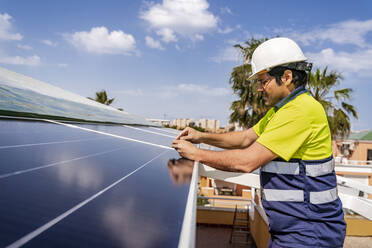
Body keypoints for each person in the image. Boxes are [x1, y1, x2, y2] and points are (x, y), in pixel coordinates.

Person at [172, 37, 346, 248]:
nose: (260, 88)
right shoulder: (282, 110)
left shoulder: (301, 111)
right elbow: (245, 138)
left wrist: (196, 154)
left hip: (309, 233)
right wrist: (201, 136)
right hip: (294, 230)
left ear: (287, 77)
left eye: (264, 81)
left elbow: (247, 161)